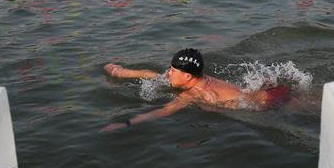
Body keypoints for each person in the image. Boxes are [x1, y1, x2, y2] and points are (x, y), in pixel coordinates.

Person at [100, 48, 292, 132]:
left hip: (271, 103)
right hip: (271, 92)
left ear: (187, 76)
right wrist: (122, 72)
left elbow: (164, 111)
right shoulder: (199, 78)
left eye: (173, 71)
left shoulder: (194, 93)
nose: (168, 73)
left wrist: (126, 124)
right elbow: (156, 75)